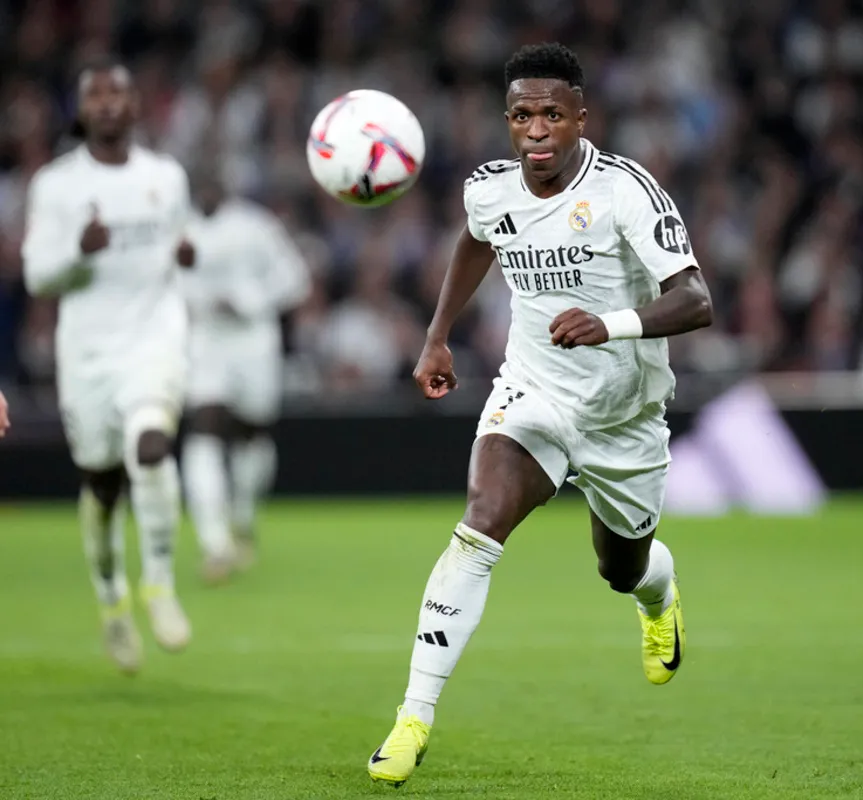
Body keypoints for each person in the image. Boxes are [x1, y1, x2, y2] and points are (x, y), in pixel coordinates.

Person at [368, 42, 714, 787]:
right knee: (480, 519)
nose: (535, 129)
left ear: (580, 119)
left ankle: (657, 591)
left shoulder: (626, 190)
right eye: (522, 115)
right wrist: (436, 338)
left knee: (618, 567)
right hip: (535, 390)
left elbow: (696, 300)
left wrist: (610, 323)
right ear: (507, 119)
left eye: (551, 114)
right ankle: (412, 717)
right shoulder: (491, 189)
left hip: (623, 414)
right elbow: (474, 241)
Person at [21, 58, 194, 675]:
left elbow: (177, 245)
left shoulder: (166, 177)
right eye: (95, 94)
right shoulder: (56, 185)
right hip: (88, 351)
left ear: (135, 104)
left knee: (151, 445)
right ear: (81, 109)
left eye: (117, 91)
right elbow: (37, 274)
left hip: (154, 338)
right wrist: (78, 252)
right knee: (101, 481)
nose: (108, 102)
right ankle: (111, 598)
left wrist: (186, 250)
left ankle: (159, 584)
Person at [179, 173, 310, 584]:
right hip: (204, 340)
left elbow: (295, 280)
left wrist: (249, 301)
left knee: (252, 434)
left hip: (254, 339)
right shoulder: (179, 230)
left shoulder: (256, 226)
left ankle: (243, 514)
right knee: (204, 428)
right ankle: (215, 544)